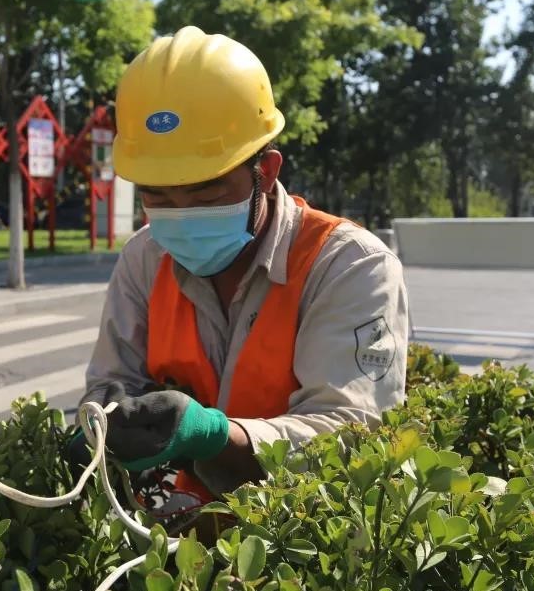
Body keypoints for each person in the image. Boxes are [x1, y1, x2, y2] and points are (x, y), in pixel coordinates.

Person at [79, 26, 409, 504]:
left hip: (292, 540)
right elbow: (111, 384)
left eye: (205, 192)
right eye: (157, 194)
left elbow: (352, 434)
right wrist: (102, 423)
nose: (181, 213)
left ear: (267, 171)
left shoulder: (350, 266)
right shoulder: (144, 257)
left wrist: (216, 437)